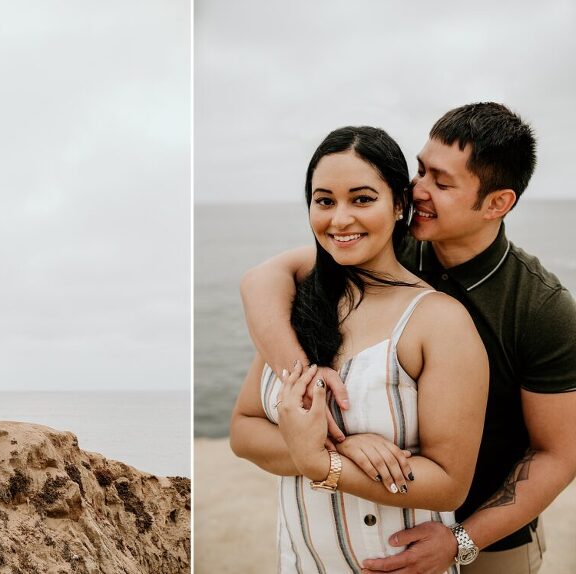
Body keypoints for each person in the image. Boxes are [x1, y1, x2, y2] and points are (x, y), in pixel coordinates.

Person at [239, 103, 576, 573]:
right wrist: (306, 381)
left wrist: (461, 540)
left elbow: (558, 453)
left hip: (489, 538)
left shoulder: (539, 307)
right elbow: (264, 279)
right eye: (420, 171)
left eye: (441, 182)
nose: (417, 190)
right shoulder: (390, 244)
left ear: (497, 202)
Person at [230, 126, 489, 574]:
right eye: (324, 200)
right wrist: (345, 449)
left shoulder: (439, 321)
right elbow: (243, 431)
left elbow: (450, 484)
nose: (339, 219)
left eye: (362, 199)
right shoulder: (297, 307)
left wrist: (320, 461)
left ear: (399, 205)